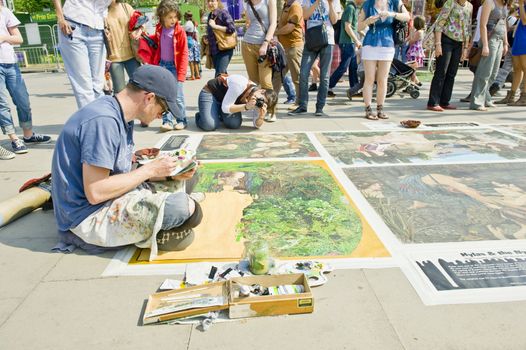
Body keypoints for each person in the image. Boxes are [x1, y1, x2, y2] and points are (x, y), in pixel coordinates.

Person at [51, 65, 202, 255]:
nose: (159, 116)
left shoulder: (119, 113)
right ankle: (146, 232)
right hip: (87, 216)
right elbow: (96, 192)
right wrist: (150, 171)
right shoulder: (103, 121)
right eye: (162, 110)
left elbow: (118, 170)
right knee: (186, 209)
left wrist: (169, 172)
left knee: (189, 178)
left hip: (110, 195)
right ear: (149, 98)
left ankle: (154, 228)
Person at [0, 5, 51, 160]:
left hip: (10, 63)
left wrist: (3, 37)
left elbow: (19, 39)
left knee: (23, 100)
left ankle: (28, 135)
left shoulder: (4, 11)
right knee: (2, 104)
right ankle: (14, 138)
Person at [53, 0, 111, 108]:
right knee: (84, 86)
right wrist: (60, 18)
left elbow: (104, 7)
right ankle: (91, 123)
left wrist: (106, 24)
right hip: (73, 26)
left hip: (98, 30)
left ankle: (101, 120)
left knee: (98, 85)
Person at [288, 0, 343, 117]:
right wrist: (317, 2)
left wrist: (329, 3)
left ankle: (320, 107)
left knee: (324, 76)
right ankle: (303, 105)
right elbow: (306, 16)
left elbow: (334, 20)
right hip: (312, 39)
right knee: (303, 73)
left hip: (327, 39)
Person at [357, 0, 410, 120]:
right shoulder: (368, 4)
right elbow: (359, 26)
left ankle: (380, 108)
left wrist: (392, 14)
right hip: (370, 43)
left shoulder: (395, 2)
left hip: (387, 43)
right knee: (369, 78)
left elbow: (407, 17)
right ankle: (368, 109)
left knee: (383, 79)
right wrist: (367, 21)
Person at [426, 0, 472, 112]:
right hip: (446, 40)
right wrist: (438, 44)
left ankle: (444, 101)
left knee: (452, 73)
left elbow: (467, 27)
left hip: (459, 42)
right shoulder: (450, 3)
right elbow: (439, 24)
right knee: (441, 71)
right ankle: (433, 102)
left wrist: (465, 48)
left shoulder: (469, 6)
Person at [151, 0, 188, 131]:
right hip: (162, 66)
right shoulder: (159, 29)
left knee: (177, 97)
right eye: (170, 17)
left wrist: (181, 74)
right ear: (162, 16)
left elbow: (184, 54)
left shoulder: (180, 31)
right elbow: (156, 45)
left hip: (174, 67)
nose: (173, 20)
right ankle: (167, 121)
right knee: (163, 96)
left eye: (175, 16)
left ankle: (181, 119)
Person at [195, 74, 278, 131]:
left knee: (234, 124)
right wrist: (246, 106)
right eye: (262, 99)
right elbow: (225, 108)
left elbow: (256, 125)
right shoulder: (240, 85)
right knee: (210, 125)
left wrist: (261, 116)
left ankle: (215, 113)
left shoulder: (258, 99)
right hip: (211, 93)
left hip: (226, 102)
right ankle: (201, 115)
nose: (260, 102)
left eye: (263, 103)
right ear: (262, 90)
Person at [469, 0, 509, 111]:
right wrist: (485, 45)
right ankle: (477, 102)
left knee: (494, 72)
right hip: (491, 40)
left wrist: (505, 42)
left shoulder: (504, 4)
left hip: (500, 40)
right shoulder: (489, 2)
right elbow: (483, 25)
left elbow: (504, 23)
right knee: (484, 72)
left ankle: (486, 98)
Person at [272, 0, 304, 114]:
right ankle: (271, 102)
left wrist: (275, 32)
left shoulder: (295, 6)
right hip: (285, 47)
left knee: (297, 77)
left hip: (293, 47)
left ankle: (300, 103)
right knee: (277, 75)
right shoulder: (287, 5)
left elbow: (290, 27)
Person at [105, 0, 141, 95]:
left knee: (140, 87)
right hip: (114, 58)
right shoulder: (102, 11)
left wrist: (139, 30)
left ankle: (137, 109)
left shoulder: (126, 7)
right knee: (120, 92)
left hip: (131, 55)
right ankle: (121, 110)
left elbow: (140, 22)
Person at [327, 0, 362, 98]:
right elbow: (347, 27)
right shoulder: (350, 8)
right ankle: (328, 87)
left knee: (353, 66)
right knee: (343, 67)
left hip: (349, 42)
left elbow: (353, 27)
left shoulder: (353, 8)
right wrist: (356, 40)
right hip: (347, 42)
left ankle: (354, 89)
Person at [242, 0, 278, 90]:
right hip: (247, 44)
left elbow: (273, 23)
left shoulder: (269, 1)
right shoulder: (246, 2)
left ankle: (270, 104)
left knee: (266, 83)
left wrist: (266, 43)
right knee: (253, 83)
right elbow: (248, 22)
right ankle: (256, 104)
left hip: (264, 45)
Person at [499, 0, 526, 105]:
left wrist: (520, 4)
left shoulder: (522, 4)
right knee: (517, 69)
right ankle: (512, 96)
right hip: (519, 36)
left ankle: (524, 97)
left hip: (524, 38)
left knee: (524, 68)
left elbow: (524, 21)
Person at [206, 0, 237, 77]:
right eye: (208, 1)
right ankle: (229, 88)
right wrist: (206, 38)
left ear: (217, 2)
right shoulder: (210, 15)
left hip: (225, 49)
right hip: (215, 50)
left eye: (212, 1)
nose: (210, 3)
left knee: (219, 76)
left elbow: (232, 28)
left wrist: (215, 26)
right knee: (222, 75)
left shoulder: (223, 13)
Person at [406, 15, 426, 85]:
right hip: (413, 52)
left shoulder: (419, 32)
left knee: (412, 69)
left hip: (415, 52)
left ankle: (413, 84)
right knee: (411, 69)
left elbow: (412, 41)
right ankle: (416, 82)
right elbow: (408, 39)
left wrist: (411, 32)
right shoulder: (417, 31)